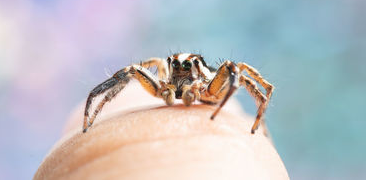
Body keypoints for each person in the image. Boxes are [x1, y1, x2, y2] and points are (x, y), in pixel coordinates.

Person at [34, 82, 289, 179]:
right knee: (132, 72)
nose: (182, 75)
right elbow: (135, 71)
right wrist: (98, 101)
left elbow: (239, 75)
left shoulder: (212, 84)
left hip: (208, 97)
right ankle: (98, 105)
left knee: (238, 71)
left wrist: (253, 119)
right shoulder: (162, 81)